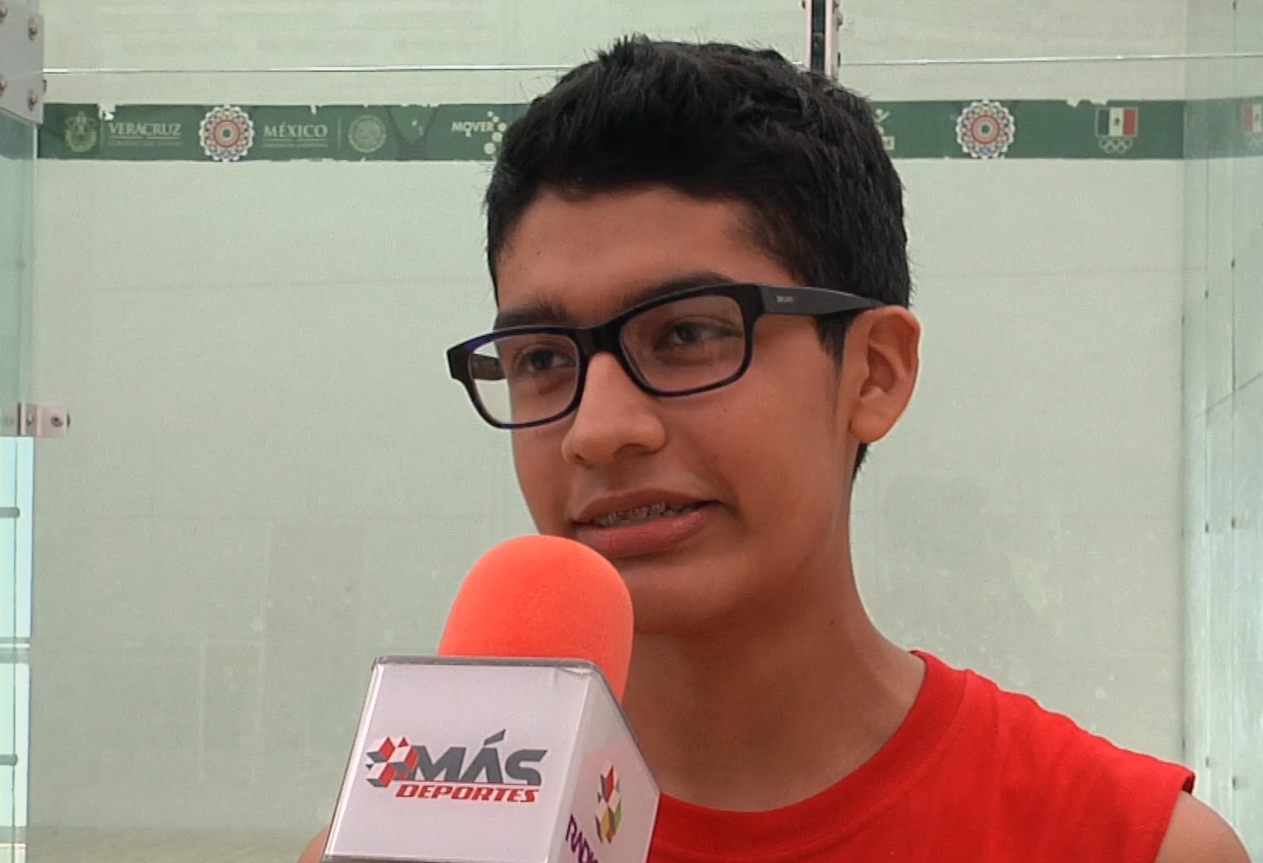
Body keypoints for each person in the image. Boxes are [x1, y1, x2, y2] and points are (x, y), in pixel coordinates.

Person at [299, 37, 1250, 862]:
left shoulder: (1123, 843)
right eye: (543, 359)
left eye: (686, 334)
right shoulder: (401, 842)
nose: (597, 429)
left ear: (873, 373)